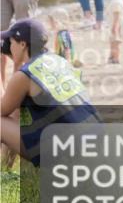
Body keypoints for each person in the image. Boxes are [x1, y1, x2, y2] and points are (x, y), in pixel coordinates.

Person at [0, 19, 99, 167]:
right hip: (95, 139)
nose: (9, 45)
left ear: (22, 44)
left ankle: (4, 172)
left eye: (11, 41)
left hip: (67, 152)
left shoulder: (25, 75)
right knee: (16, 112)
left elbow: (2, 110)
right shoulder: (59, 60)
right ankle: (4, 170)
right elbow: (14, 109)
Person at [101, 0, 123, 64]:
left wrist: (115, 27)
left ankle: (116, 58)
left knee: (116, 43)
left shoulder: (117, 2)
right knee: (112, 42)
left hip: (116, 25)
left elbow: (117, 16)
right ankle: (111, 56)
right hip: (113, 24)